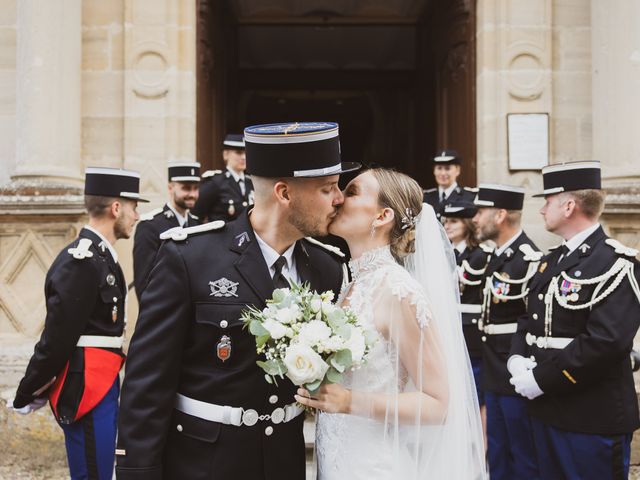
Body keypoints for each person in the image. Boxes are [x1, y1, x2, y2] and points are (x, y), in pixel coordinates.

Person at [115, 122, 360, 479]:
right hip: (203, 463)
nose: (339, 198)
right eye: (327, 188)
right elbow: (147, 383)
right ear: (283, 193)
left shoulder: (327, 267)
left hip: (283, 462)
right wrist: (138, 471)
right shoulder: (189, 258)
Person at [295, 168, 486, 479]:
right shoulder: (351, 282)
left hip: (375, 466)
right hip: (339, 458)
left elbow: (438, 403)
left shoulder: (398, 290)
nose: (339, 198)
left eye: (353, 192)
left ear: (382, 216)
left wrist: (348, 401)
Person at [10, 167, 145, 480]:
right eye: (133, 207)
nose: (136, 216)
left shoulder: (100, 256)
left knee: (101, 471)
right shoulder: (81, 260)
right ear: (116, 208)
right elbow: (57, 338)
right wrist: (29, 390)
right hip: (87, 385)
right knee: (92, 475)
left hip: (102, 379)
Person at [508, 161, 640, 479]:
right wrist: (516, 357)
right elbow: (528, 316)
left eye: (547, 201)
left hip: (589, 416)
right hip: (547, 411)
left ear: (569, 206)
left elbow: (606, 342)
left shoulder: (614, 262)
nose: (541, 211)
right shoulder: (551, 259)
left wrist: (541, 379)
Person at [472, 184, 541, 480]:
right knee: (497, 452)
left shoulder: (527, 259)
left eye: (481, 212)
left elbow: (531, 320)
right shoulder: (496, 256)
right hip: (493, 369)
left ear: (500, 215)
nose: (474, 218)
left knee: (522, 455)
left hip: (514, 371)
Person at [442, 200, 492, 441]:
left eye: (454, 221)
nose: (447, 225)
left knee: (477, 392)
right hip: (447, 330)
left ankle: (479, 448)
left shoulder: (479, 255)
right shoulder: (442, 253)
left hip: (471, 333)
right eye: (446, 221)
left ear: (467, 224)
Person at [133, 161, 201, 300]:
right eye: (186, 188)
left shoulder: (197, 224)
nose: (192, 194)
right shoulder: (150, 226)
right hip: (165, 308)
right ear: (170, 188)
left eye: (195, 188)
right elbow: (144, 283)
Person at [192, 133, 255, 222]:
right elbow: (196, 216)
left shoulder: (251, 182)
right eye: (238, 153)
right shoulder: (215, 182)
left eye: (246, 153)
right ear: (226, 154)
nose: (244, 157)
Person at [422, 149, 476, 219]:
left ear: (457, 170)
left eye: (447, 169)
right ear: (434, 171)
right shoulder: (426, 197)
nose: (443, 173)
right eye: (439, 168)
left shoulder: (468, 196)